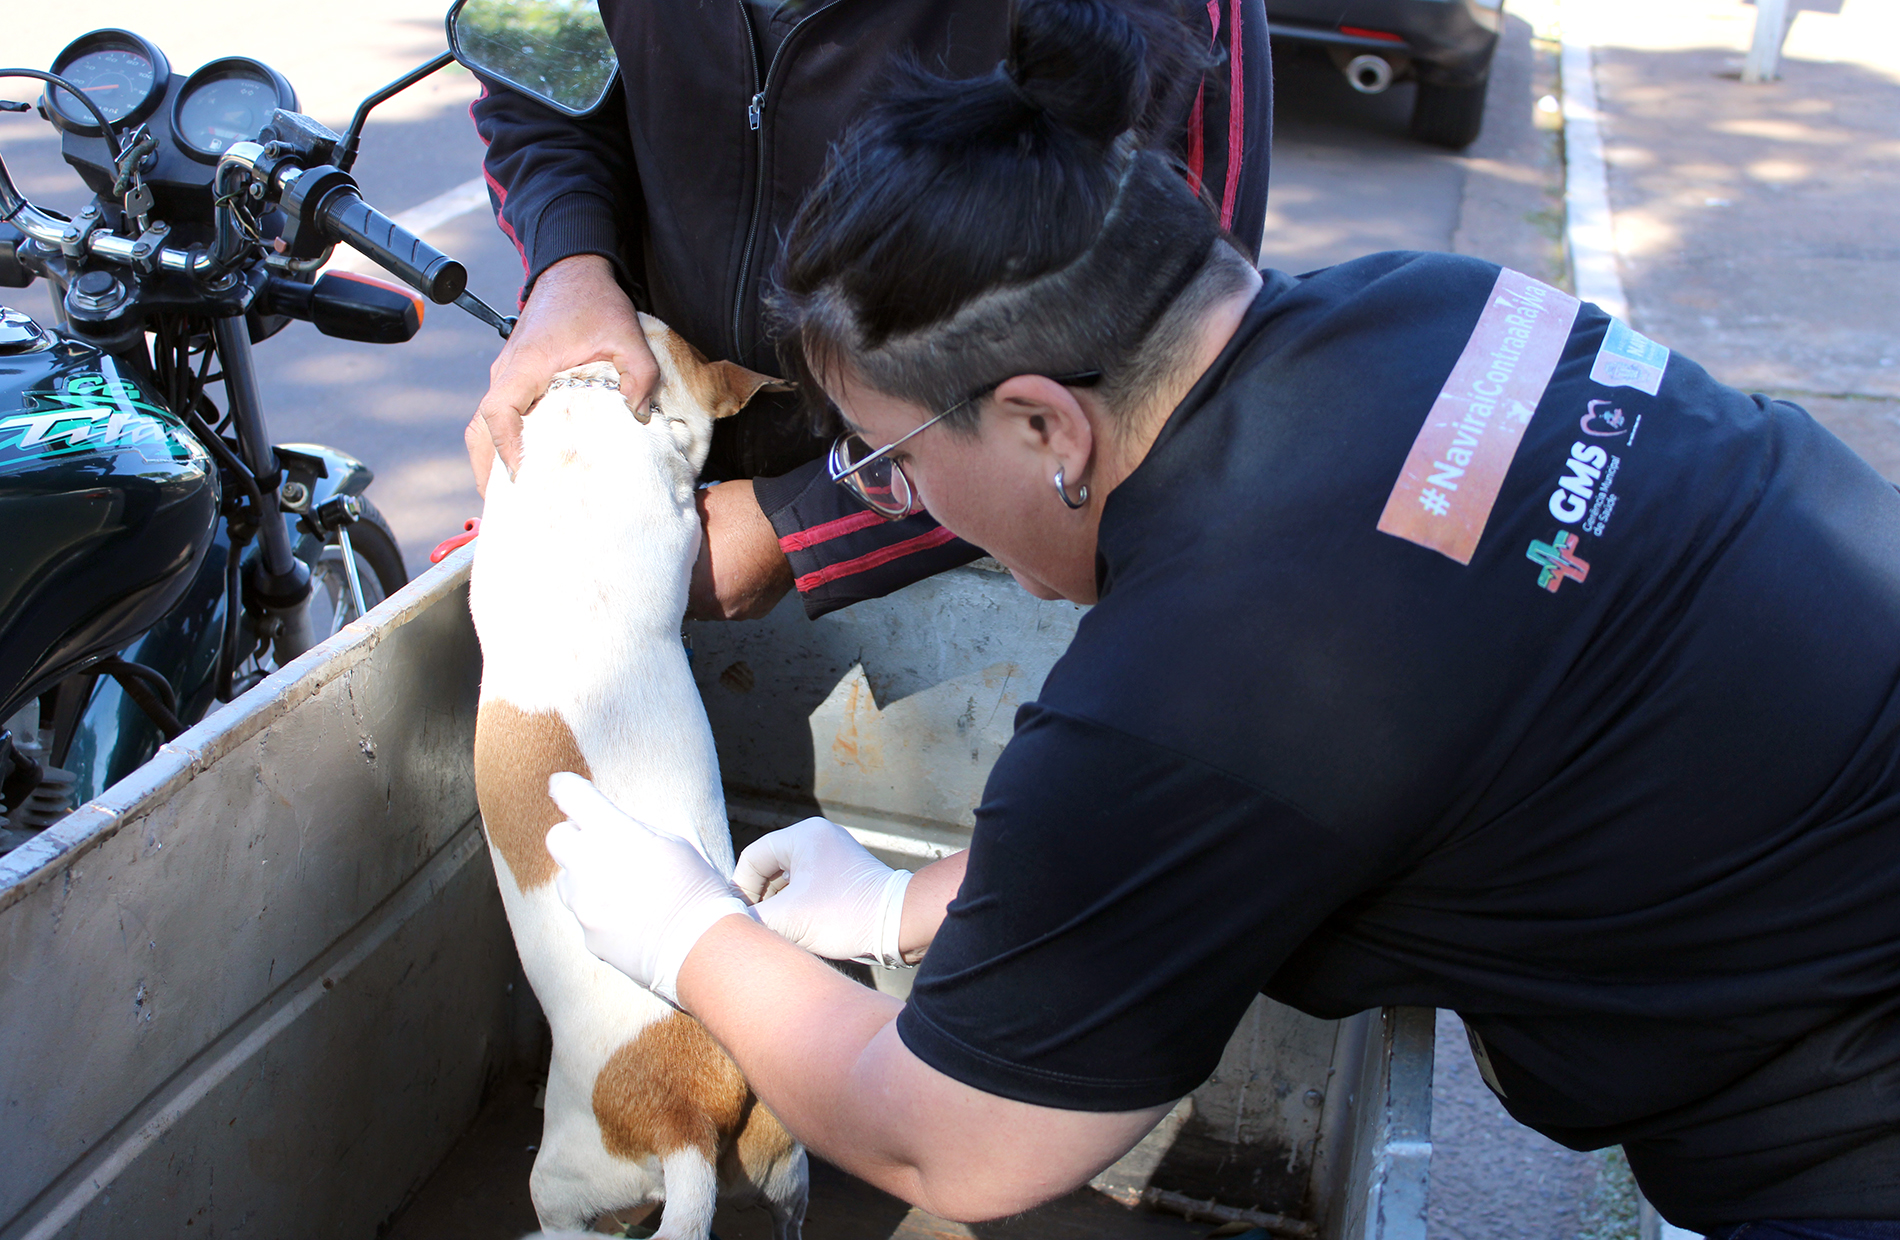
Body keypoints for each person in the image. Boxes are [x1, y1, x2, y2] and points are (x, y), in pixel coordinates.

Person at [540, 0, 1900, 1232]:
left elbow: (953, 1145)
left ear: (1039, 423)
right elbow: (1216, 822)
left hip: (1847, 1117)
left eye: (891, 461)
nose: (902, 501)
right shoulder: (1428, 308)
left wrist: (686, 935)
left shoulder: (1219, 671)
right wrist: (908, 905)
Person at [464, 0, 1270, 621]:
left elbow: (1161, 352)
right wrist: (569, 267)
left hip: (1012, 529)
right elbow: (534, 55)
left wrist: (805, 526)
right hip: (702, 464)